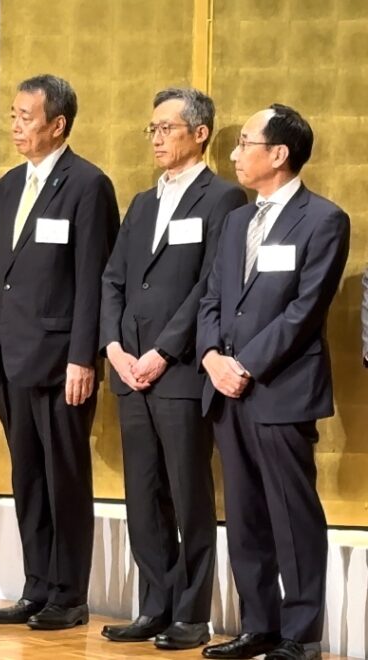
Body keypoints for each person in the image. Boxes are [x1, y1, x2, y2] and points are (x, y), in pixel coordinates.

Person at [198, 105, 348, 660]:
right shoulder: (236, 219)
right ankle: (257, 624)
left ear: (279, 154)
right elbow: (211, 297)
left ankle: (299, 634)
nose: (234, 154)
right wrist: (212, 356)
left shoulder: (324, 219)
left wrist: (246, 365)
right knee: (243, 515)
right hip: (226, 390)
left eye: (243, 143)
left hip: (280, 390)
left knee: (292, 514)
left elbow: (305, 311)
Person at [99, 88, 247, 650]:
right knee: (143, 493)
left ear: (201, 132)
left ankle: (191, 613)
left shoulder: (224, 199)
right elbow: (113, 279)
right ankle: (153, 605)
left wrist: (162, 351)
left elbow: (210, 286)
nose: (157, 137)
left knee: (188, 494)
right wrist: (113, 347)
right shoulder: (141, 202)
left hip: (180, 370)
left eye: (167, 127)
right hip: (129, 368)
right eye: (152, 129)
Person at [0, 74, 119, 630]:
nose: (14, 125)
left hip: (61, 361)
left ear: (57, 124)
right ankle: (36, 585)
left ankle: (70, 593)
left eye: (25, 116)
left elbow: (93, 280)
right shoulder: (9, 185)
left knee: (65, 478)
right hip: (8, 358)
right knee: (28, 478)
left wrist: (84, 357)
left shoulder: (88, 185)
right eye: (11, 115)